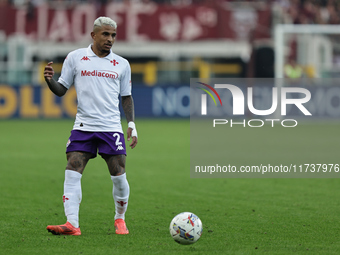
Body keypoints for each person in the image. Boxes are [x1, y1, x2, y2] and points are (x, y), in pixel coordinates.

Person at [44, 16, 138, 235]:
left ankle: (120, 218)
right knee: (72, 169)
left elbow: (127, 97)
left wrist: (131, 123)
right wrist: (50, 81)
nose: (110, 39)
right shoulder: (76, 58)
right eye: (105, 34)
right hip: (83, 126)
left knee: (119, 175)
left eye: (113, 35)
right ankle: (72, 224)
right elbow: (61, 89)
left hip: (111, 127)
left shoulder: (122, 64)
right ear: (93, 35)